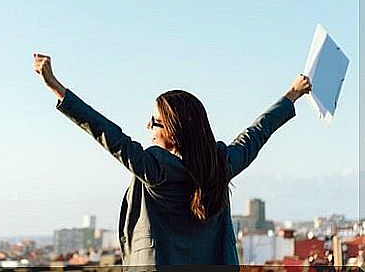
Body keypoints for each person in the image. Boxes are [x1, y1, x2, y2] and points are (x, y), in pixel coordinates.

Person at [32, 53, 312, 268]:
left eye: (154, 122)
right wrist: (292, 94)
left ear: (173, 130)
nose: (147, 127)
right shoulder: (221, 164)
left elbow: (105, 132)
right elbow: (258, 132)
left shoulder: (154, 168)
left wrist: (56, 87)